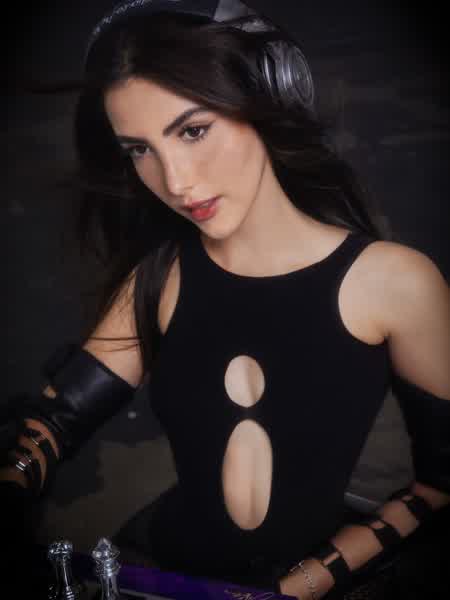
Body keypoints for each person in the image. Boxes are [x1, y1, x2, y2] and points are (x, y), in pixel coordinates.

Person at [2, 1, 449, 598]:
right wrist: (14, 479)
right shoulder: (159, 278)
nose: (175, 181)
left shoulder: (396, 282)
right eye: (139, 149)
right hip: (160, 574)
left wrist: (309, 581)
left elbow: (441, 485)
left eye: (193, 130)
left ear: (264, 98)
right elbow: (53, 425)